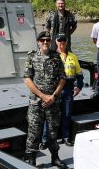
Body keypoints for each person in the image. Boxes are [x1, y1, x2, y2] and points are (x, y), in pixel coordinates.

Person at [22, 31, 67, 168]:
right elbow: (27, 79)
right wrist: (43, 96)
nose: (46, 42)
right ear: (38, 42)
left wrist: (53, 97)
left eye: (48, 40)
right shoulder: (31, 57)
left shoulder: (56, 57)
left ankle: (55, 158)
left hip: (53, 102)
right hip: (37, 102)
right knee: (34, 132)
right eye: (43, 40)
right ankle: (31, 160)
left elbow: (62, 78)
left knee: (53, 132)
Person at [41, 34, 84, 148]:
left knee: (66, 114)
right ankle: (45, 140)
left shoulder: (73, 56)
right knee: (50, 115)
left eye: (64, 40)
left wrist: (79, 86)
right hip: (54, 90)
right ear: (56, 42)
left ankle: (65, 137)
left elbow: (79, 74)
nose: (62, 43)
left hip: (68, 89)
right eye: (59, 40)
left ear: (66, 42)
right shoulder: (51, 56)